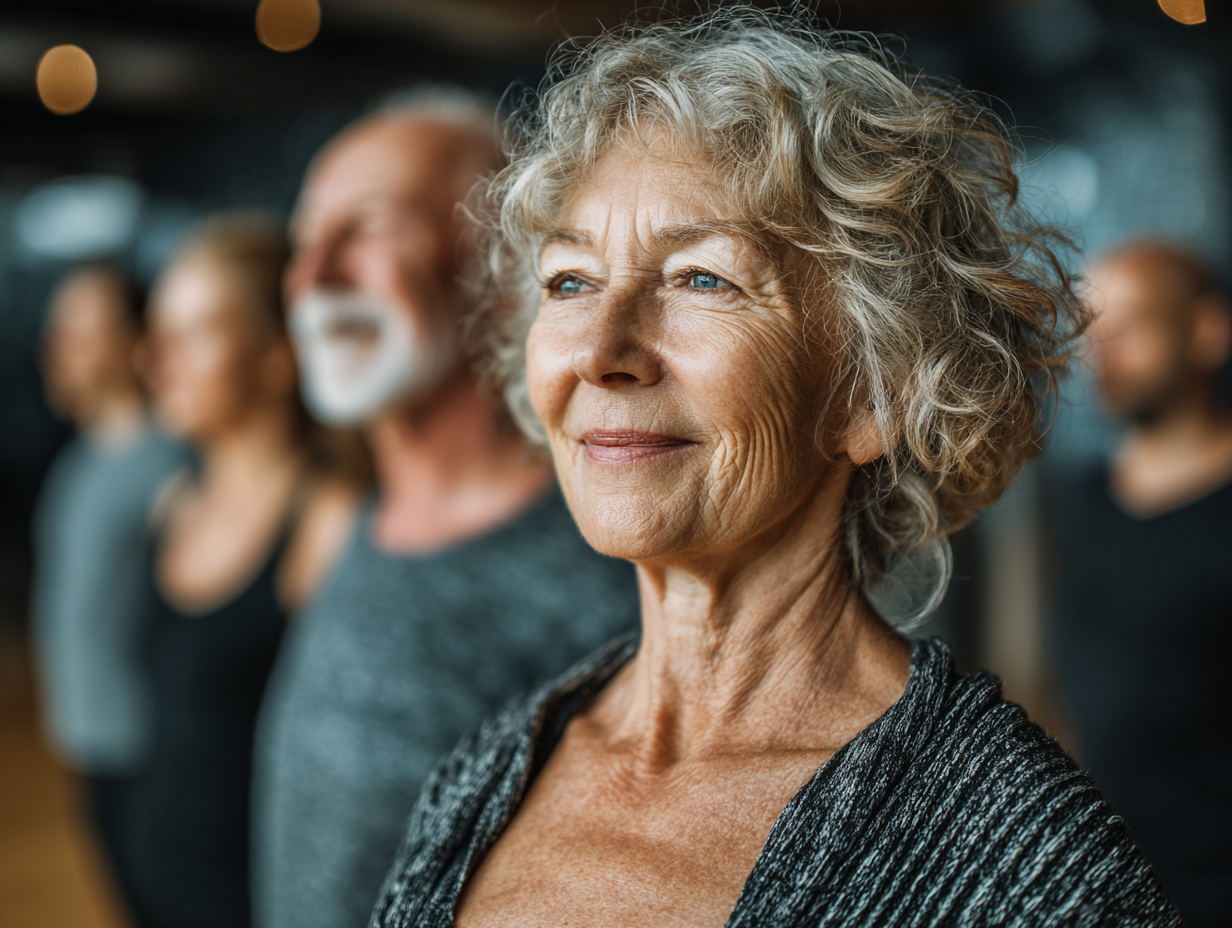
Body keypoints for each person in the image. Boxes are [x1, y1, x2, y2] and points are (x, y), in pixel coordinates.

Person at [371, 12, 1181, 927]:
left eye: (703, 279)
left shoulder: (1032, 872)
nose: (602, 349)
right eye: (571, 281)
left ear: (872, 394)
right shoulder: (484, 775)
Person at [252, 88, 640, 928]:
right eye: (305, 238)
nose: (317, 278)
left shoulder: (601, 577)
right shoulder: (353, 523)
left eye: (372, 227)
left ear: (502, 273)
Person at [124, 214, 358, 928]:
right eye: (158, 332)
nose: (156, 359)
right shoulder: (171, 503)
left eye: (194, 333)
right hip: (156, 883)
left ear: (279, 355)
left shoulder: (328, 523)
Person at [1047, 241, 1232, 926]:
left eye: (1131, 326)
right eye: (1092, 330)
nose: (1103, 352)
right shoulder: (1083, 502)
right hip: (1107, 888)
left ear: (1207, 332)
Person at [30, 265, 189, 920]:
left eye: (83, 331)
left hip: (149, 752)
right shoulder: (79, 458)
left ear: (135, 341)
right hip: (90, 740)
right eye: (58, 330)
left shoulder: (172, 466)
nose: (60, 348)